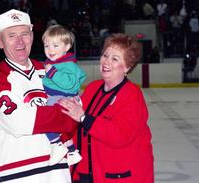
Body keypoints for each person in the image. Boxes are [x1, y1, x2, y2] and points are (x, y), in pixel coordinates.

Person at [0, 9, 77, 183]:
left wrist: (66, 115)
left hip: (58, 172)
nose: (19, 41)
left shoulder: (48, 69)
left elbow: (76, 111)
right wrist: (63, 114)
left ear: (32, 37)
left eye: (24, 34)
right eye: (11, 35)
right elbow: (20, 122)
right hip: (19, 175)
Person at [59, 33, 154, 183]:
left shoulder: (132, 95)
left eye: (115, 59)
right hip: (85, 172)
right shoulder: (92, 88)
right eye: (105, 55)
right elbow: (75, 125)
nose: (106, 62)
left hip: (117, 176)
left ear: (127, 67)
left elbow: (120, 136)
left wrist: (84, 117)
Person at [41, 24, 86, 166]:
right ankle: (72, 152)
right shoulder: (57, 63)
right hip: (56, 97)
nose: (50, 50)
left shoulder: (68, 65)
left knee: (45, 121)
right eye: (47, 46)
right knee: (61, 130)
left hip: (59, 99)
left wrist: (52, 73)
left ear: (66, 47)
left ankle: (56, 145)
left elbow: (69, 83)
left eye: (55, 45)